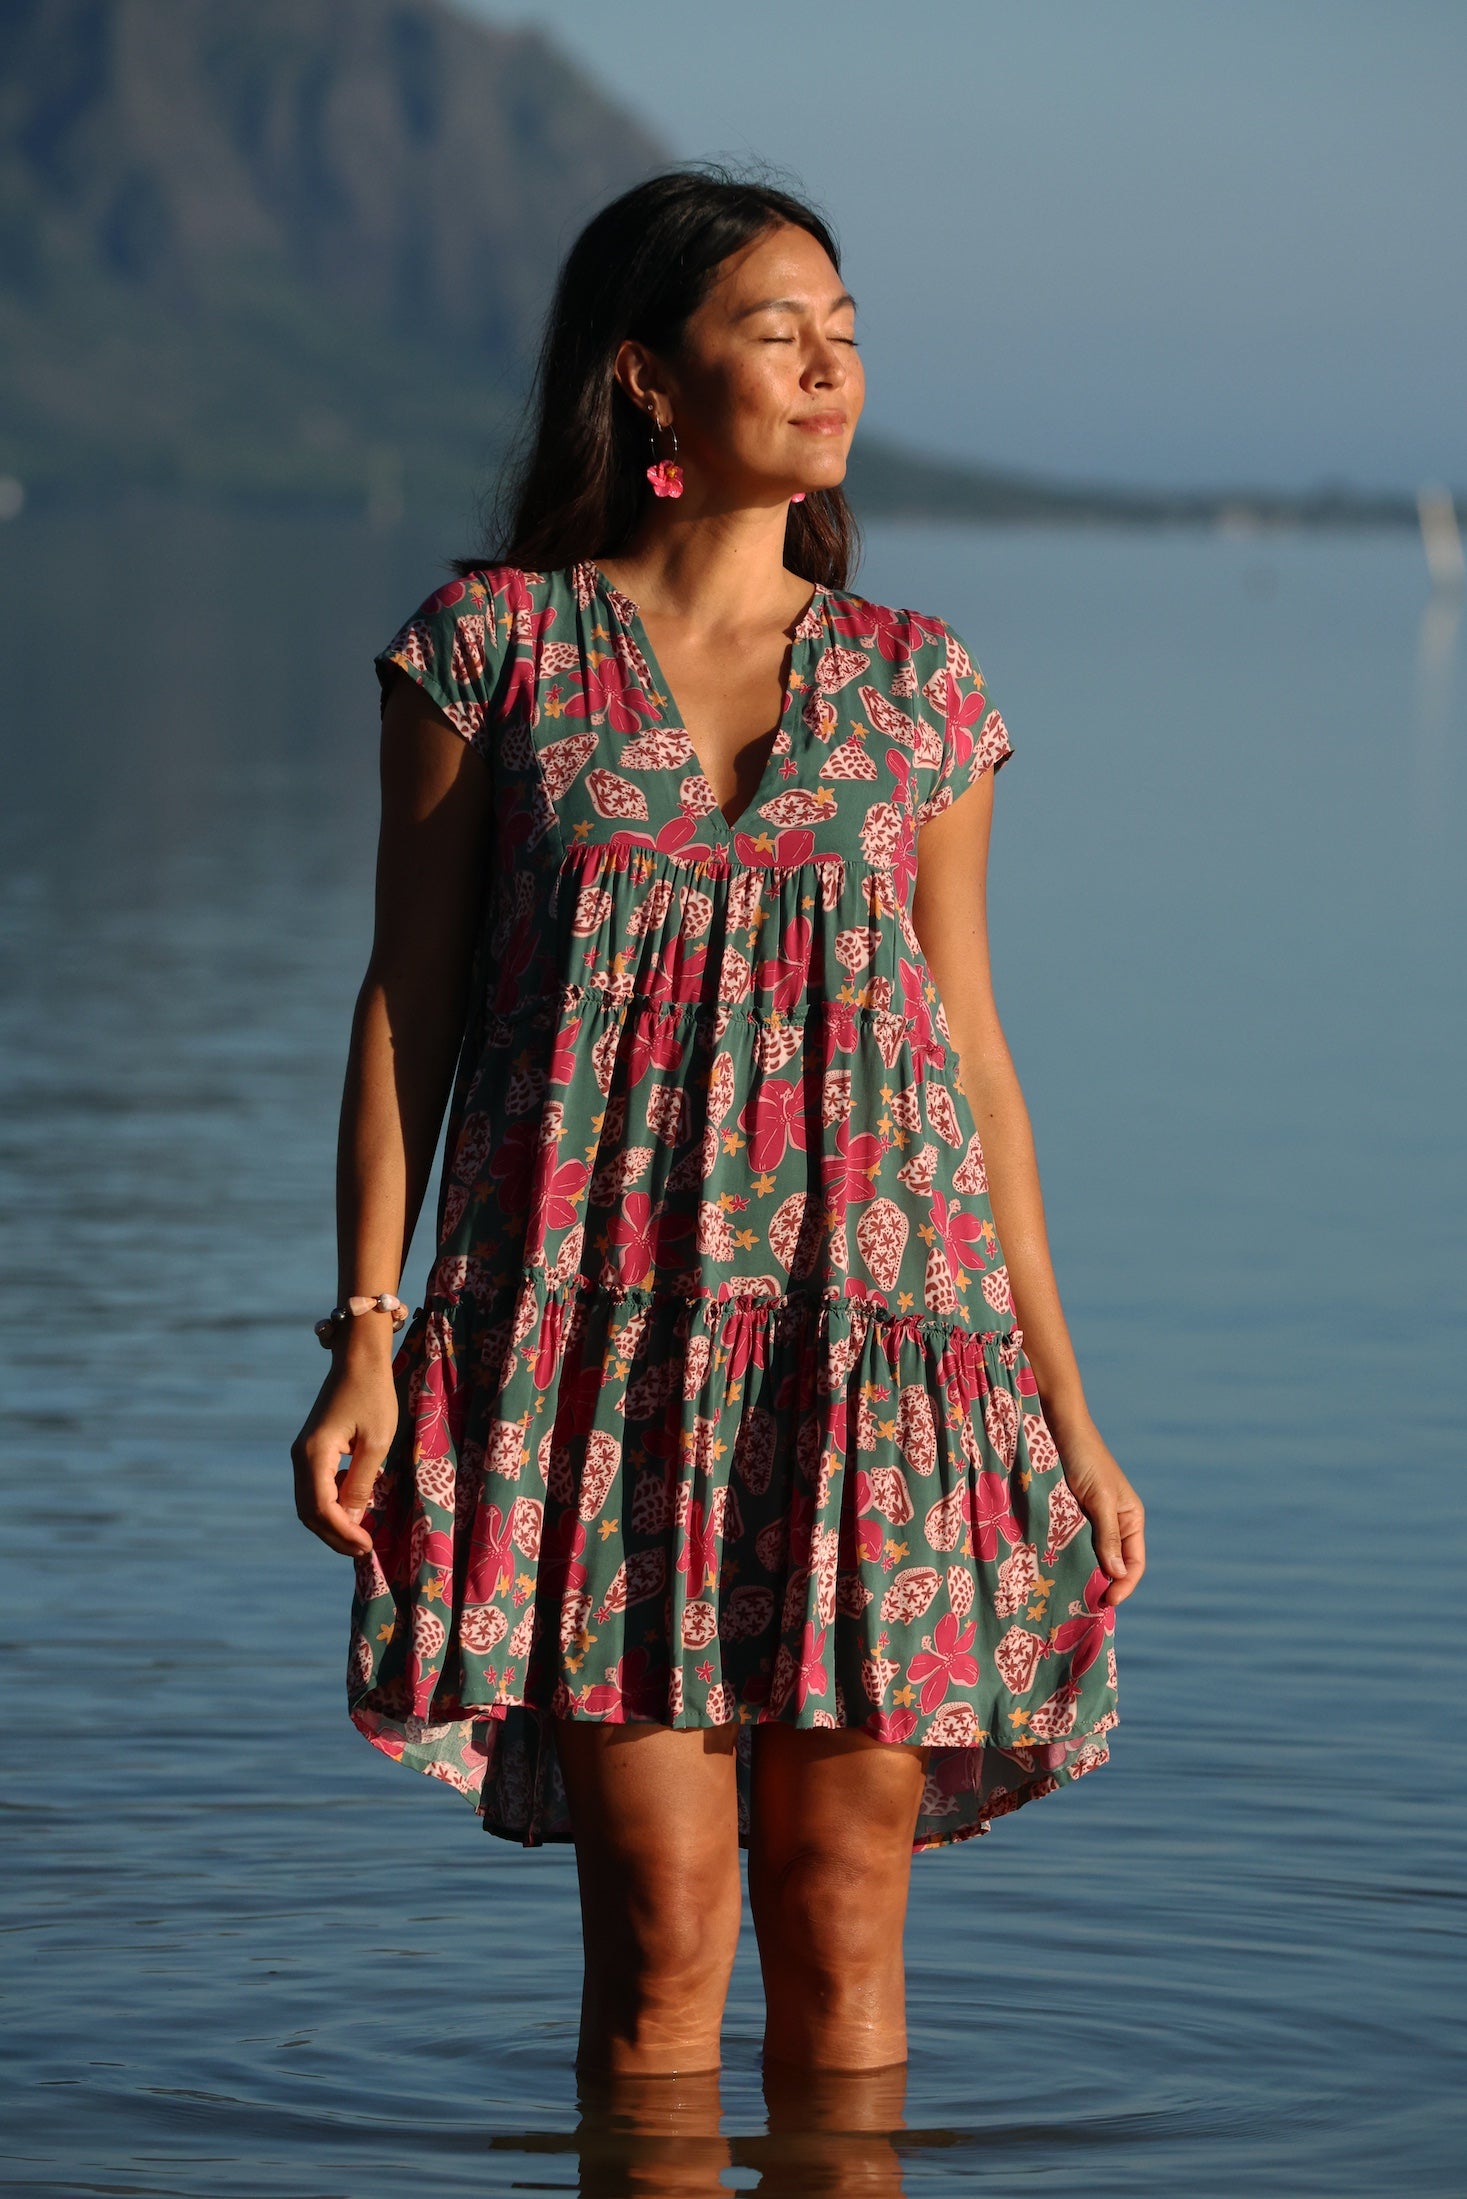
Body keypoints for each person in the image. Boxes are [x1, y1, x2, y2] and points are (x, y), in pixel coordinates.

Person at [291, 168, 1146, 2082]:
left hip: (876, 1364)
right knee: (664, 1943)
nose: (831, 369)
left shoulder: (918, 685)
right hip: (601, 1372)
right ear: (649, 379)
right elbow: (408, 1009)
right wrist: (366, 1336)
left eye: (846, 334)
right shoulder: (494, 653)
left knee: (842, 1930)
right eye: (779, 331)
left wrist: (1064, 1406)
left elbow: (972, 1058)